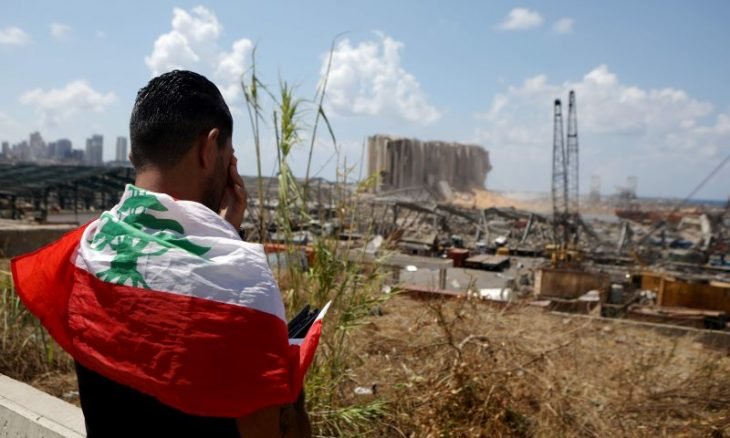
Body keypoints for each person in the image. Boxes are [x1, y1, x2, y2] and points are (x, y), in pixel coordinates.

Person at [12, 70, 312, 438]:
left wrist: (222, 234)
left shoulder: (86, 250)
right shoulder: (244, 284)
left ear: (133, 156)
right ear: (208, 149)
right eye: (228, 157)